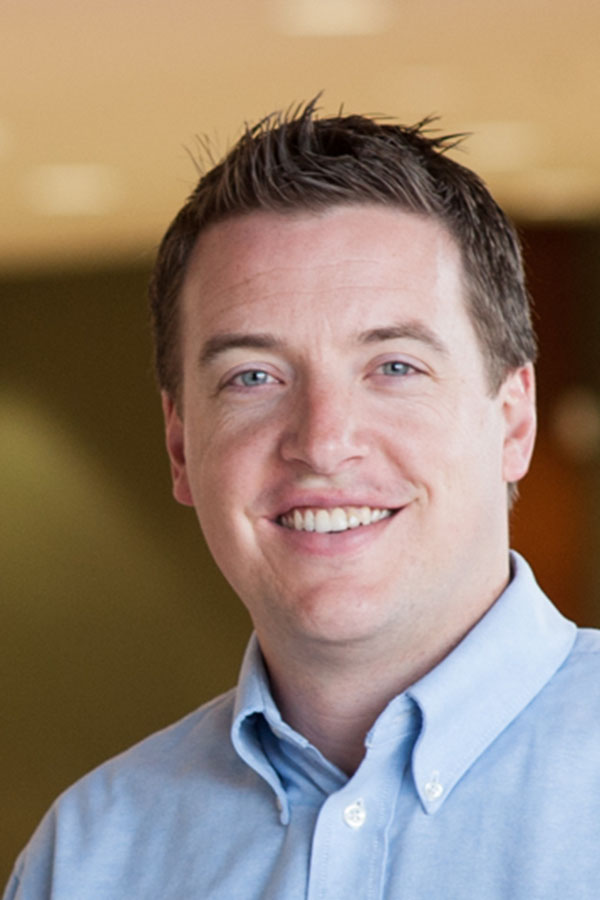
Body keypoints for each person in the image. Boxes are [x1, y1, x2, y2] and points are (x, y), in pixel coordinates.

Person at [5, 99, 600, 899]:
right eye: (253, 377)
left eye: (395, 367)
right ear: (180, 447)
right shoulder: (91, 857)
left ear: (513, 421)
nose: (322, 442)